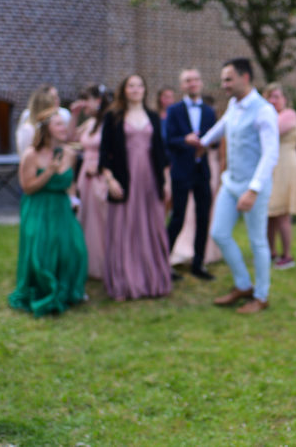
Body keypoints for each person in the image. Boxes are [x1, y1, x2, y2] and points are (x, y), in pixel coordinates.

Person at [187, 58, 279, 313]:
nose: (223, 84)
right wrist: (203, 142)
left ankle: (261, 296)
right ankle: (243, 285)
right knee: (218, 233)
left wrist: (253, 189)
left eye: (228, 79)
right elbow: (224, 124)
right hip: (231, 182)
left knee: (257, 242)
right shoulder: (234, 104)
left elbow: (270, 154)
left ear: (245, 77)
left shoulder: (263, 110)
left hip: (254, 187)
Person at [99, 74, 173, 301]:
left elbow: (161, 151)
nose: (136, 89)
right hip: (125, 179)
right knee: (126, 228)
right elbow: (104, 154)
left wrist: (166, 180)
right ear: (124, 90)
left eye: (140, 85)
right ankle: (126, 281)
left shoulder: (152, 115)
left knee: (151, 227)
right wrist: (110, 180)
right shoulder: (113, 117)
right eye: (131, 85)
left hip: (150, 179)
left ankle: (152, 279)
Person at [9, 107, 87, 317]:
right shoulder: (31, 155)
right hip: (38, 206)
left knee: (75, 249)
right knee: (41, 252)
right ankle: (43, 289)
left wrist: (74, 199)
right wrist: (50, 172)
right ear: (47, 129)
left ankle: (68, 289)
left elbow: (68, 182)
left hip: (61, 205)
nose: (64, 128)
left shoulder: (69, 153)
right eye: (59, 124)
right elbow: (28, 187)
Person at [165, 68, 218, 280]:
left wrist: (206, 144)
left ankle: (198, 264)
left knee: (204, 218)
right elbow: (168, 140)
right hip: (181, 171)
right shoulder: (174, 110)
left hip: (202, 171)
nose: (192, 83)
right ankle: (164, 263)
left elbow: (214, 139)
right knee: (177, 217)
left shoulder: (209, 111)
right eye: (188, 80)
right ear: (182, 86)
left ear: (201, 83)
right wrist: (185, 140)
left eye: (195, 79)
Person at [72, 84, 112, 279]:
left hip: (100, 175)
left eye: (85, 99)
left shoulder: (109, 122)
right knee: (86, 219)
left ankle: (105, 264)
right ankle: (89, 264)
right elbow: (69, 138)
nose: (83, 103)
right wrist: (74, 115)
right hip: (84, 177)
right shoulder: (89, 123)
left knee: (102, 219)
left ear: (97, 101)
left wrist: (99, 167)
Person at [263, 82, 296, 269]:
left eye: (276, 96)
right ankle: (270, 252)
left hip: (286, 165)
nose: (273, 100)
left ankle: (287, 256)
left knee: (282, 212)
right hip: (272, 166)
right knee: (269, 212)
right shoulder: (270, 115)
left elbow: (271, 131)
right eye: (270, 97)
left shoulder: (289, 114)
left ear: (285, 99)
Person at [15, 85, 60, 157]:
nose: (57, 101)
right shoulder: (28, 129)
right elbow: (25, 156)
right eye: (54, 99)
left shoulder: (58, 118)